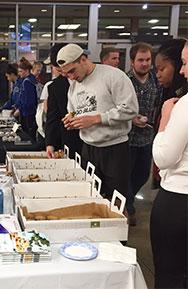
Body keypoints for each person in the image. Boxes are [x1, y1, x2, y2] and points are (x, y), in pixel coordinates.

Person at [59, 43, 138, 199]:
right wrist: (71, 118)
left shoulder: (113, 76)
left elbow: (130, 108)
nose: (71, 77)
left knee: (117, 200)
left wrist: (97, 119)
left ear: (83, 59)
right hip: (88, 148)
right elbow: (75, 109)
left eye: (72, 71)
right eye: (66, 74)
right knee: (90, 196)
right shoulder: (74, 85)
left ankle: (123, 220)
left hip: (114, 149)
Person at [150, 40, 188, 289]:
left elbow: (164, 157)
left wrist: (165, 119)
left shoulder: (183, 105)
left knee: (171, 275)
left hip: (179, 201)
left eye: (185, 63)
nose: (183, 71)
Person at [126, 42, 161, 226]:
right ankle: (128, 207)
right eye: (140, 60)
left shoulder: (156, 79)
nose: (145, 63)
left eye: (148, 59)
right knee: (126, 175)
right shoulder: (125, 80)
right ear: (132, 62)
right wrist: (131, 119)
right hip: (127, 138)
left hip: (147, 138)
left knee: (141, 176)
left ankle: (127, 200)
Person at [152, 38, 188, 188]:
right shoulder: (168, 93)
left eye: (162, 69)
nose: (158, 75)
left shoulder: (181, 102)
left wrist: (165, 119)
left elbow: (165, 157)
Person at [45, 43, 83, 159]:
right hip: (70, 140)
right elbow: (53, 116)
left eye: (68, 70)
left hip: (94, 141)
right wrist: (50, 143)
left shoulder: (92, 80)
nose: (66, 75)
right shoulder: (55, 86)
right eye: (60, 71)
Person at [16, 57, 38, 142]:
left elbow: (28, 101)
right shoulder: (31, 79)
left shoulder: (27, 82)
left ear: (26, 71)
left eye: (21, 71)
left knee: (28, 136)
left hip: (28, 113)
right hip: (29, 112)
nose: (19, 73)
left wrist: (20, 109)